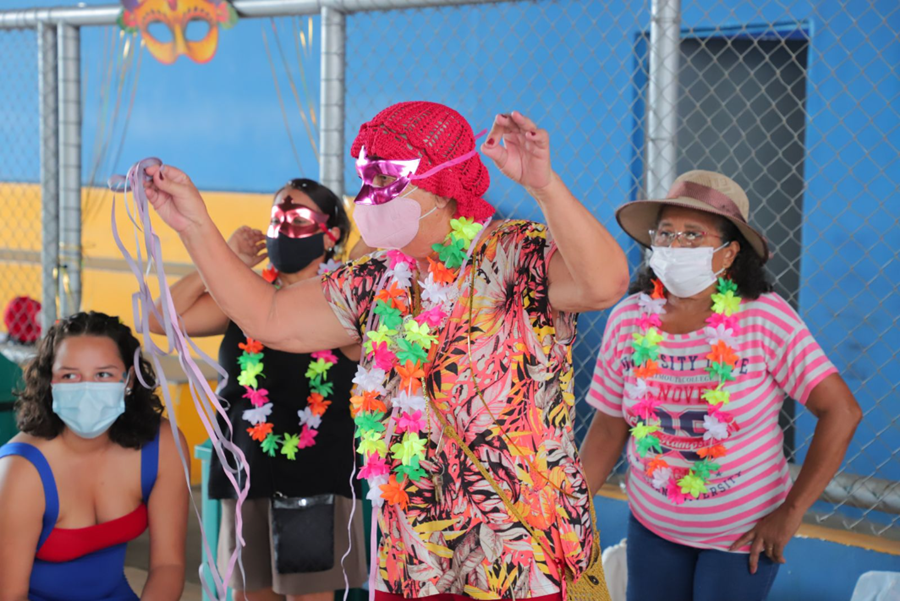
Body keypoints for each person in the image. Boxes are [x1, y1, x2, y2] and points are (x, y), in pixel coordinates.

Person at [143, 101, 629, 600]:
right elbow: (271, 318)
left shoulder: (512, 252)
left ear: (443, 183)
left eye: (389, 179)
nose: (370, 197)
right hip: (413, 551)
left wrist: (543, 185)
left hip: (521, 551)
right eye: (367, 179)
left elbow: (604, 283)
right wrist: (194, 225)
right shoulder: (376, 278)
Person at [580, 170, 862, 601]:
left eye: (694, 235)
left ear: (729, 253)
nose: (675, 246)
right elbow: (608, 426)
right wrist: (570, 511)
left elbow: (841, 411)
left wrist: (791, 512)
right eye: (667, 233)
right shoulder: (628, 319)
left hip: (740, 539)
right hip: (652, 526)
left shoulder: (764, 319)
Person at [149, 178, 367, 601]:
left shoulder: (341, 299)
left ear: (332, 234)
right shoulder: (245, 300)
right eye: (277, 219)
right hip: (248, 479)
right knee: (252, 596)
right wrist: (227, 259)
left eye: (298, 220)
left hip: (314, 485)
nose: (283, 230)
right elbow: (161, 319)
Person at [0, 311, 189, 601]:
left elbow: (168, 565)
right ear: (51, 382)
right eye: (70, 375)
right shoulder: (20, 470)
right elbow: (9, 595)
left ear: (129, 381)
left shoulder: (163, 445)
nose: (86, 389)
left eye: (103, 374)